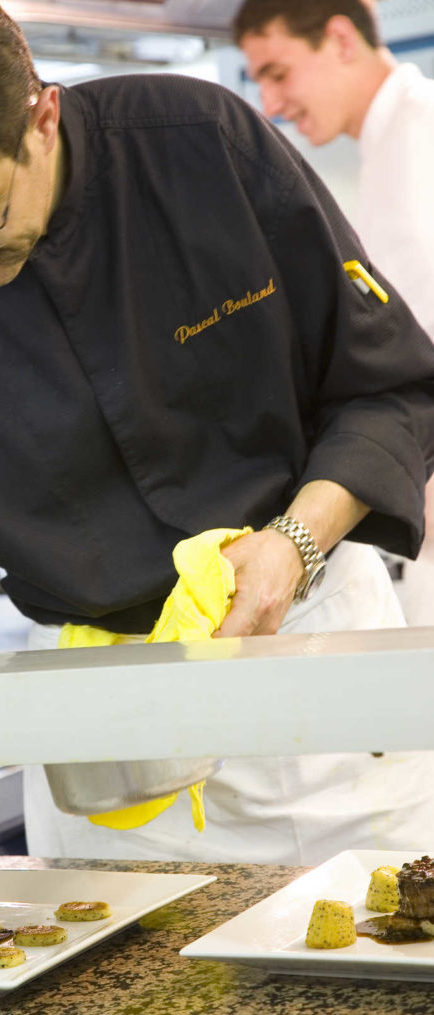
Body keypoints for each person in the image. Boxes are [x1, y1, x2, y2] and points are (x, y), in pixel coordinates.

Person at [0, 0, 434, 864]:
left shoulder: (200, 145)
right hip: (101, 755)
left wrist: (291, 548)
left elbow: (387, 390)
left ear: (41, 119)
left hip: (316, 694)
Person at [234, 0, 434, 627]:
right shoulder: (396, 142)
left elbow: (410, 363)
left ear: (341, 39)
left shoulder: (416, 149)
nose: (269, 103)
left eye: (278, 71)